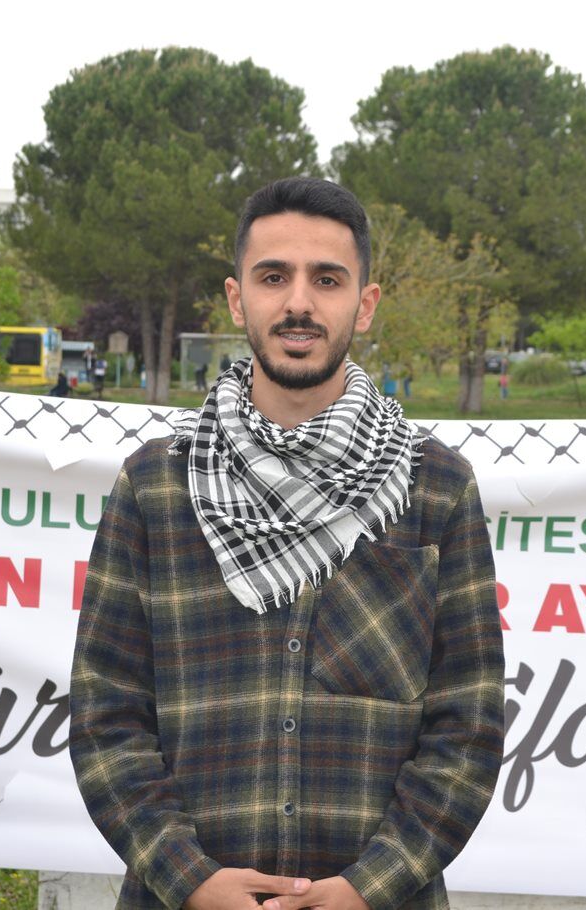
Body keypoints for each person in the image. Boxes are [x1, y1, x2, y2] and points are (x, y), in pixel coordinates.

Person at [71, 177, 505, 910]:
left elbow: (469, 724)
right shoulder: (155, 486)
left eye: (326, 279)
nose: (299, 302)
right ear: (237, 299)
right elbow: (104, 714)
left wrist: (367, 888)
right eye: (274, 277)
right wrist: (190, 879)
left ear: (364, 304)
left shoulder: (433, 487)